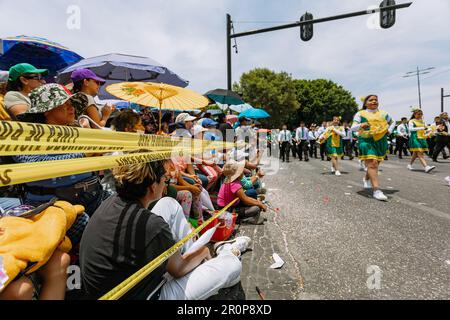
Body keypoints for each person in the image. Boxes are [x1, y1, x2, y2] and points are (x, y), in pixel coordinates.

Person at [80, 159, 248, 300]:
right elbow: (177, 270)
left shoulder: (112, 202)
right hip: (149, 295)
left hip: (111, 288)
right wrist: (204, 251)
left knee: (169, 204)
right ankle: (227, 251)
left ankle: (195, 258)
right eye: (164, 179)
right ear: (153, 186)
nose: (166, 184)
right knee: (232, 266)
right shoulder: (152, 225)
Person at [14, 84, 103, 244]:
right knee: (89, 227)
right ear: (47, 110)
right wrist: (83, 155)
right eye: (65, 104)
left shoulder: (77, 133)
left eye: (72, 104)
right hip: (52, 205)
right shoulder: (24, 137)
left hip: (92, 196)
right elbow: (36, 171)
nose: (72, 109)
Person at [351, 95, 395, 201]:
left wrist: (390, 130)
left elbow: (392, 122)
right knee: (373, 163)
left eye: (376, 100)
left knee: (375, 164)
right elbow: (353, 128)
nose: (374, 101)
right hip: (366, 141)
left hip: (381, 141)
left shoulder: (384, 113)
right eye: (371, 100)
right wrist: (361, 125)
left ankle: (366, 179)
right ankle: (376, 190)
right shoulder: (360, 113)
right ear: (366, 103)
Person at [217, 161, 267, 225]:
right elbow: (246, 200)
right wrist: (260, 204)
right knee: (256, 208)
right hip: (228, 210)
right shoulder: (235, 185)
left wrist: (258, 203)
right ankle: (243, 219)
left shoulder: (228, 179)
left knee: (255, 202)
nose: (242, 172)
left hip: (226, 206)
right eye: (241, 171)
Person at [407, 108, 436, 173]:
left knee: (415, 153)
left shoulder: (423, 121)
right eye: (418, 114)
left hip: (422, 138)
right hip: (415, 138)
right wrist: (422, 128)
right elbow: (410, 129)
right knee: (420, 152)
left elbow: (426, 129)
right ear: (414, 114)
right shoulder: (411, 121)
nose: (420, 115)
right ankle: (426, 167)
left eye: (421, 114)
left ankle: (409, 165)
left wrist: (430, 130)